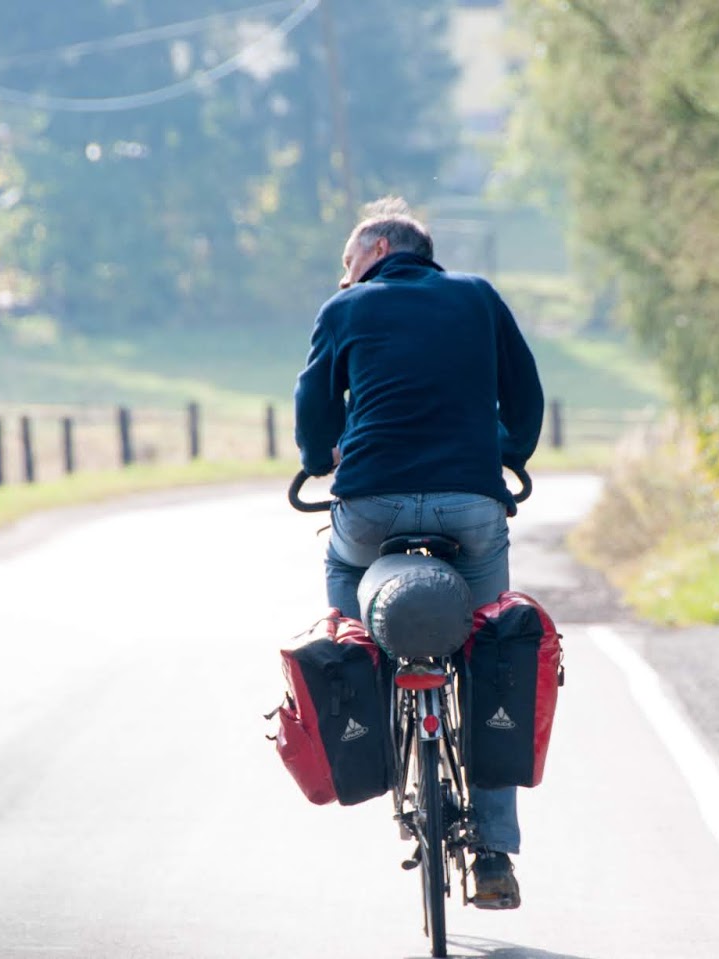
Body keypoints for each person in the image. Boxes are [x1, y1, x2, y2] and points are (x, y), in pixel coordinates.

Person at [294, 197, 544, 909]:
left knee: (344, 586)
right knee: (489, 642)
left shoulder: (345, 309)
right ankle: (492, 852)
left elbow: (314, 413)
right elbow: (524, 392)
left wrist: (321, 458)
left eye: (349, 264)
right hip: (471, 503)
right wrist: (504, 453)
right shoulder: (478, 296)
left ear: (376, 246)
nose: (346, 279)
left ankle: (359, 700)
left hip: (370, 504)